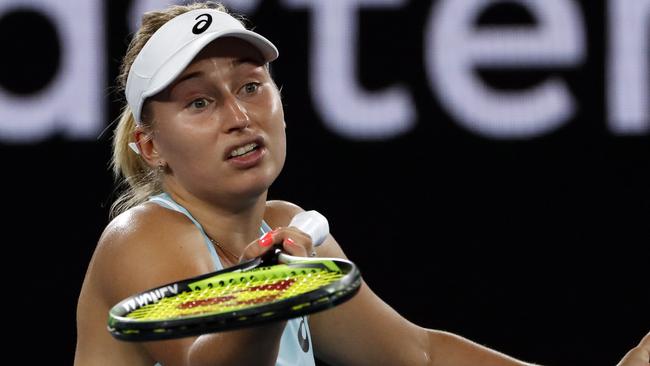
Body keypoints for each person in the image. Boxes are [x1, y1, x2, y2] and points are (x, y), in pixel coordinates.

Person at [74, 2, 649, 365]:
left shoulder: (287, 230)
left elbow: (417, 354)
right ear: (149, 147)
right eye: (200, 101)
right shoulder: (142, 236)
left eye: (251, 86)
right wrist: (267, 294)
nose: (238, 115)